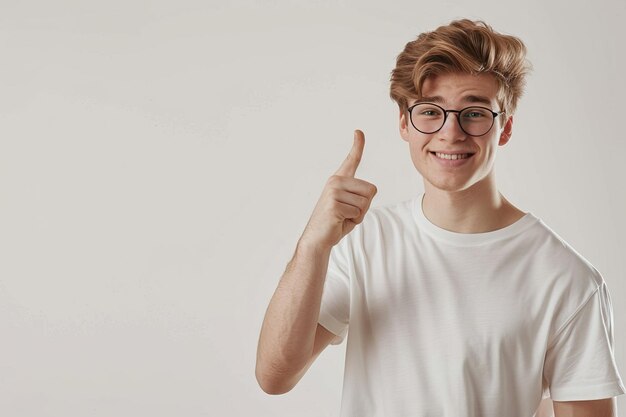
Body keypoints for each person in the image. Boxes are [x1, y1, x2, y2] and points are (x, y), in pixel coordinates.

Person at [255, 19, 625, 417]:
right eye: (431, 112)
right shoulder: (363, 243)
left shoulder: (566, 278)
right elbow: (275, 377)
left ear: (505, 127)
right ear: (404, 123)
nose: (451, 133)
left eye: (475, 112)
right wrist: (313, 245)